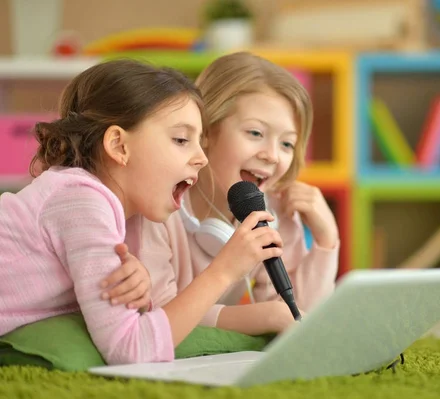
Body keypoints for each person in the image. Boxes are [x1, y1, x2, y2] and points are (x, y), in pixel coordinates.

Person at [0, 58, 284, 365]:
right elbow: (131, 348)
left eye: (199, 143)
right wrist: (224, 271)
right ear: (119, 146)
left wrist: (141, 289)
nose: (201, 158)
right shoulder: (82, 201)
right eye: (181, 139)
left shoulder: (116, 211)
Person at [117, 51, 340, 336]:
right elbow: (159, 314)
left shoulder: (274, 214)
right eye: (256, 133)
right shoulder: (156, 207)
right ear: (206, 132)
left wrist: (326, 240)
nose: (272, 155)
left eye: (287, 144)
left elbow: (300, 319)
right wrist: (264, 317)